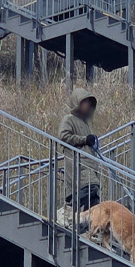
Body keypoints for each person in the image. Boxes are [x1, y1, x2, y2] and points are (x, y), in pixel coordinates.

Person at [57, 88, 101, 216]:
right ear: (78, 103)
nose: (87, 106)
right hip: (78, 165)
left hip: (90, 165)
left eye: (89, 103)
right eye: (85, 102)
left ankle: (91, 229)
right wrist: (84, 139)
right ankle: (69, 209)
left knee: (94, 199)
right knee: (89, 187)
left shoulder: (86, 124)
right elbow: (63, 136)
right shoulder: (68, 119)